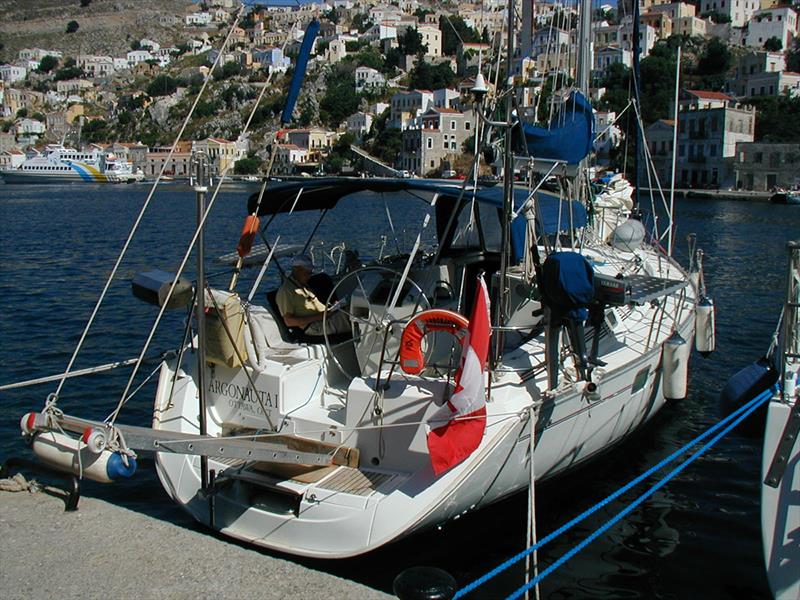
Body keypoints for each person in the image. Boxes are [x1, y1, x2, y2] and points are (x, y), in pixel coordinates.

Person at [275, 255, 350, 337]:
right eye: (307, 273)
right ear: (297, 270)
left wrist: (333, 308)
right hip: (315, 327)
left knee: (354, 307)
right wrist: (320, 317)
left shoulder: (303, 285)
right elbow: (289, 321)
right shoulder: (286, 291)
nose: (309, 276)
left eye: (310, 273)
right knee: (353, 313)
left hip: (327, 318)